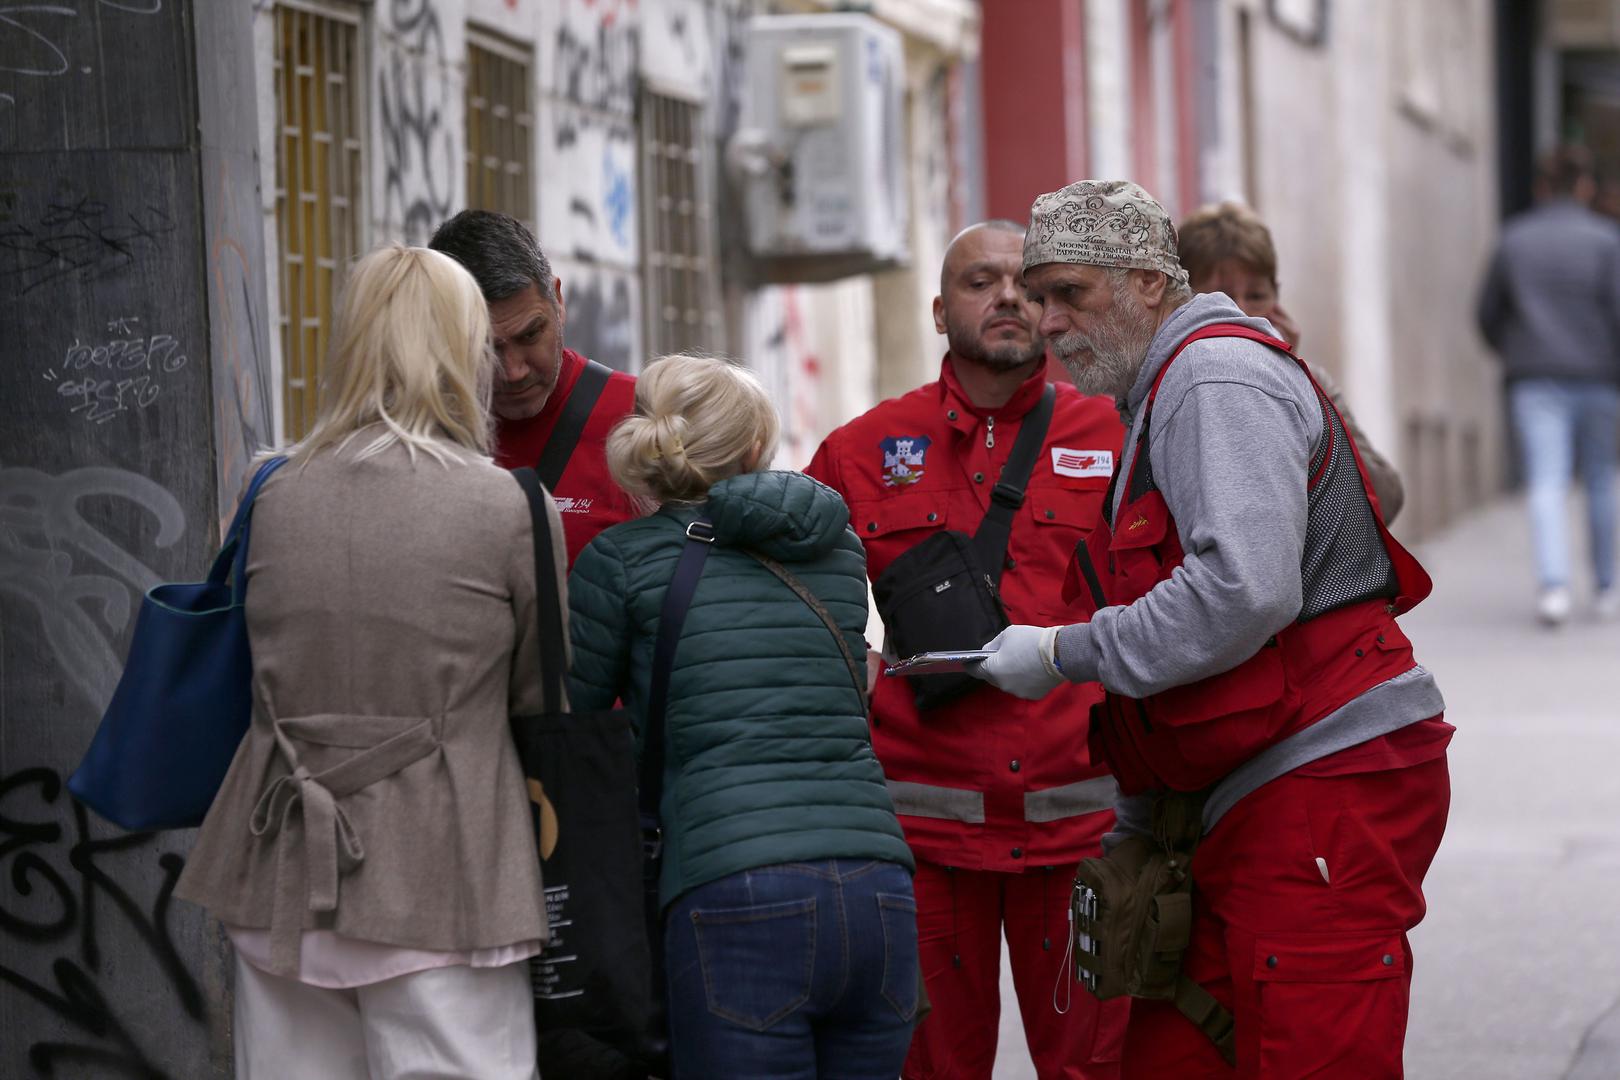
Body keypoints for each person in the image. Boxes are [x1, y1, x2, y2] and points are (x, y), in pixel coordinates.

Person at [973, 180, 1452, 1078]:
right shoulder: (1166, 385)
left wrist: (1063, 653)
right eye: (1041, 299)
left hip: (1320, 781)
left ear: (1150, 284)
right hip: (1249, 789)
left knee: (1309, 1055)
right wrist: (1139, 813)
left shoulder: (1212, 375)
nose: (1046, 322)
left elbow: (1243, 590)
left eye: (1070, 293)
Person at [175, 244, 563, 1079]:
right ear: (464, 348)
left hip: (275, 859)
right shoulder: (506, 504)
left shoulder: (268, 490)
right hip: (448, 869)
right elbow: (539, 696)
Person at [806, 220, 1128, 1080]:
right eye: (982, 281)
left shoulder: (1118, 435)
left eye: (1031, 282)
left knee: (1091, 1068)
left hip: (1081, 829)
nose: (1010, 296)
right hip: (926, 840)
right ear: (941, 308)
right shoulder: (862, 449)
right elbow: (797, 617)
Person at [567, 354, 920, 1079]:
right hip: (879, 887)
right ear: (756, 449)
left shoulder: (620, 561)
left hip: (732, 888)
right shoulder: (838, 552)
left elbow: (575, 730)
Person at [430, 210, 638, 564]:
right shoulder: (412, 431)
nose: (513, 371)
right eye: (484, 347)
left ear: (558, 300)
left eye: (530, 334)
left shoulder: (641, 418)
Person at [1177, 201, 1405, 523]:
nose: (1242, 313)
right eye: (1222, 298)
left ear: (1277, 299)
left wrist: (1294, 382)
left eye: (1256, 296)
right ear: (1183, 299)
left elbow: (1385, 498)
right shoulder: (1168, 392)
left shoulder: (1312, 382)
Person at [1477, 145, 1620, 624]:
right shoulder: (1606, 241)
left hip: (1534, 376)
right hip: (1600, 376)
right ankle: (1605, 586)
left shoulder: (1514, 240)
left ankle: (1554, 588)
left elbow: (1487, 314)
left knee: (1546, 480)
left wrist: (1517, 351)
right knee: (1602, 480)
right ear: (1585, 187)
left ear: (1541, 186)